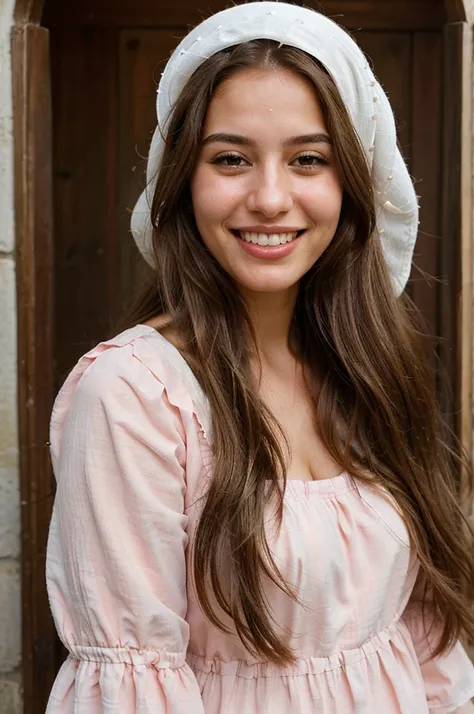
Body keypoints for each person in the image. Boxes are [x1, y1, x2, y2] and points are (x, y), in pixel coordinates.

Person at [45, 2, 474, 712]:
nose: (270, 197)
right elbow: (134, 686)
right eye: (231, 159)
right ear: (182, 179)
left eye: (308, 159)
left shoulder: (368, 364)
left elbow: (425, 642)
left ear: (353, 183)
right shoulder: (136, 395)